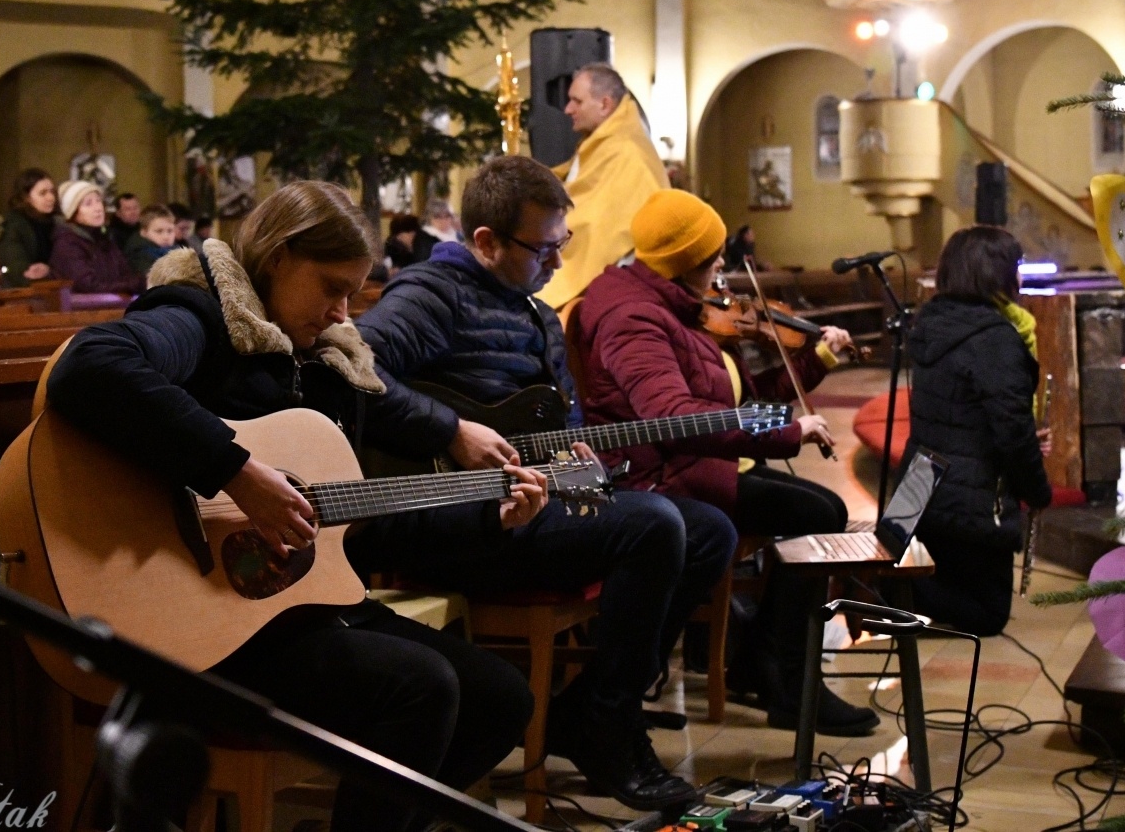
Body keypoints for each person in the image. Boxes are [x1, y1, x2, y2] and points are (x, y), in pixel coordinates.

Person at [45, 181, 536, 832]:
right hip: (207, 619)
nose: (341, 312)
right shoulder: (201, 315)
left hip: (302, 608)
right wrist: (236, 469)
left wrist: (488, 516)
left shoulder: (330, 361)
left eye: (353, 292)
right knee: (420, 685)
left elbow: (357, 530)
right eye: (331, 286)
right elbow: (89, 366)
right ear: (277, 256)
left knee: (502, 697)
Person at [355, 156, 736, 812]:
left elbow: (558, 421)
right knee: (654, 526)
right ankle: (611, 727)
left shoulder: (534, 312)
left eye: (561, 244)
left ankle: (592, 709)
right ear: (486, 242)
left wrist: (579, 458)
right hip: (454, 513)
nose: (558, 263)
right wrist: (449, 429)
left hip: (529, 495)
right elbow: (355, 370)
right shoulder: (431, 294)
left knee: (707, 529)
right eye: (544, 249)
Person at [576, 189, 876, 736]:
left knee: (823, 507)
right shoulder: (633, 318)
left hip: (705, 462)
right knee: (818, 514)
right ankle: (781, 676)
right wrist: (786, 432)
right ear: (684, 260)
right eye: (713, 254)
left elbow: (741, 399)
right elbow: (673, 414)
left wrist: (817, 360)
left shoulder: (686, 308)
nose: (722, 264)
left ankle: (765, 663)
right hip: (664, 477)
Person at [905, 225, 1053, 637]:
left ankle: (896, 587)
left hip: (920, 491)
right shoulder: (995, 340)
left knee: (952, 586)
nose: (1019, 278)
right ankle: (885, 589)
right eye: (1016, 267)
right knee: (989, 616)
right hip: (970, 498)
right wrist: (1037, 491)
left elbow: (960, 414)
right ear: (994, 274)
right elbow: (1012, 433)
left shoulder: (931, 322)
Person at [537, 63, 669, 310]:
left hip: (618, 295)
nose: (568, 109)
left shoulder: (627, 152)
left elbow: (594, 227)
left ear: (605, 104)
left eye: (577, 101)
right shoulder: (603, 145)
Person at [50, 180, 143, 294]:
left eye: (98, 201)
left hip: (113, 306)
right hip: (84, 310)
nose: (98, 208)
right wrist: (134, 285)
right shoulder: (67, 245)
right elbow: (88, 286)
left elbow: (126, 274)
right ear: (73, 212)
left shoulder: (105, 239)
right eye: (88, 204)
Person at [0, 168, 58, 286]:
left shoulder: (57, 222)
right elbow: (14, 264)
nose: (51, 198)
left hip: (53, 289)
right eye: (43, 193)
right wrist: (33, 271)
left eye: (52, 192)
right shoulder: (12, 225)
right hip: (22, 292)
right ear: (26, 197)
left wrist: (50, 270)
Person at [126, 204, 179, 282]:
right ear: (144, 232)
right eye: (159, 231)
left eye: (170, 231)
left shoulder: (179, 253)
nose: (166, 237)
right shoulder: (138, 256)